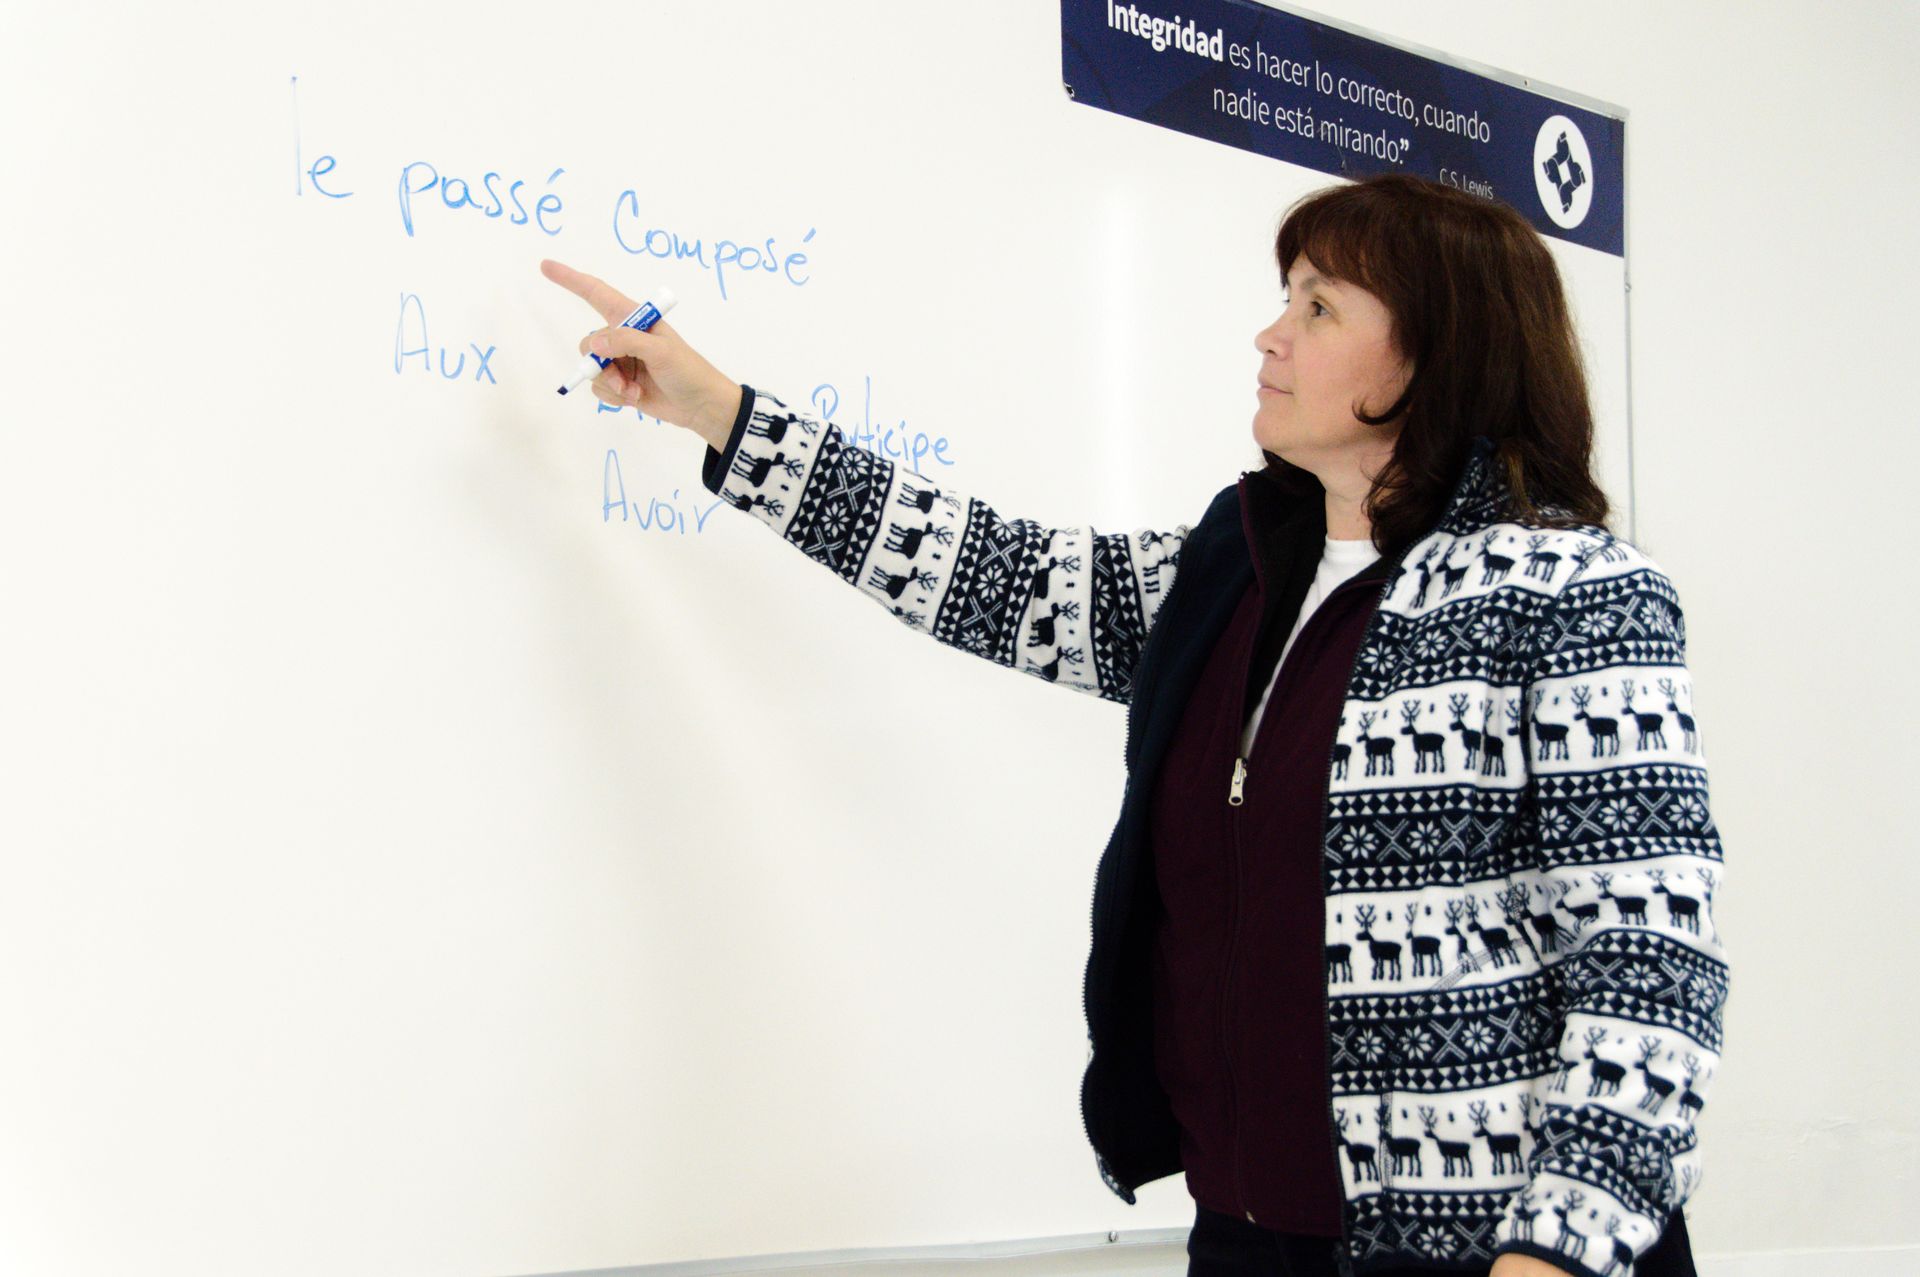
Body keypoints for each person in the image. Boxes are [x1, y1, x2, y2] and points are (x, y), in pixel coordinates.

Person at [538, 172, 1728, 1277]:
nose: (1272, 335)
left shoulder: (1572, 596)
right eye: (1283, 300)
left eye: (1319, 307)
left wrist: (1558, 1252)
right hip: (1249, 1237)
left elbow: (1651, 971)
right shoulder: (1237, 568)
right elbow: (989, 573)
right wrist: (721, 413)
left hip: (1493, 1253)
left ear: (1438, 353)